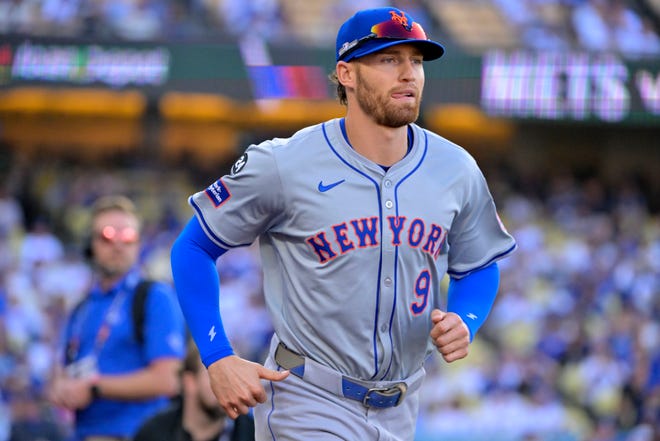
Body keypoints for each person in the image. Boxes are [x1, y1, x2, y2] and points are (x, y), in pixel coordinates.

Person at [171, 6, 516, 440]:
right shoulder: (285, 163)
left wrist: (466, 317)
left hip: (403, 405)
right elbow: (193, 247)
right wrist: (217, 356)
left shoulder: (456, 167)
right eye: (389, 59)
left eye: (416, 61)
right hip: (308, 399)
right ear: (346, 75)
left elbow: (479, 263)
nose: (408, 74)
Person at [49, 195, 187, 441]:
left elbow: (168, 379)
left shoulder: (155, 296)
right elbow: (63, 367)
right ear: (90, 245)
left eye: (128, 237)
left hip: (138, 434)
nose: (118, 245)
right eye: (108, 236)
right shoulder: (82, 306)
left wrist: (94, 388)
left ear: (138, 244)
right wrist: (61, 387)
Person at [133, 339, 256, 441]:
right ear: (189, 382)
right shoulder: (154, 433)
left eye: (235, 377)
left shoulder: (253, 433)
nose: (230, 386)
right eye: (221, 376)